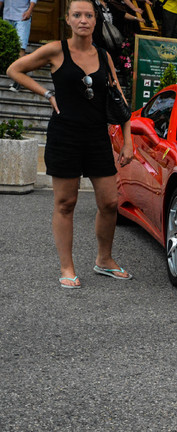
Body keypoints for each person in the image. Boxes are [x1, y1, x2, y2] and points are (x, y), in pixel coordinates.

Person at [6, 0, 133, 288]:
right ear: (68, 19)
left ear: (96, 20)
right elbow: (15, 70)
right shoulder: (55, 49)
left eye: (89, 15)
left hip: (96, 136)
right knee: (66, 203)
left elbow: (119, 100)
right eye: (77, 15)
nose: (84, 20)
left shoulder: (103, 55)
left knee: (110, 202)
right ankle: (67, 267)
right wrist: (47, 94)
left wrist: (128, 140)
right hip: (65, 136)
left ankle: (104, 260)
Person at [1, 0, 37, 92]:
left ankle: (18, 81)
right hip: (7, 16)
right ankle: (13, 75)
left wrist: (29, 11)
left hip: (22, 17)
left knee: (21, 47)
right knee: (8, 46)